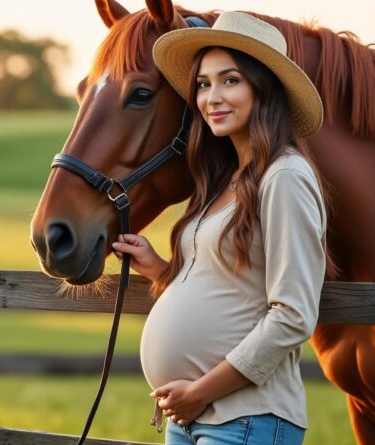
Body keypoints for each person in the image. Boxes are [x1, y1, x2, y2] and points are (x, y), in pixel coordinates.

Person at [111, 11, 333, 445]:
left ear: (262, 88)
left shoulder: (284, 177)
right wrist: (159, 270)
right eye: (203, 84)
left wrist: (198, 393)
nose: (212, 96)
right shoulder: (224, 179)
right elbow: (232, 284)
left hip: (246, 418)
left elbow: (293, 316)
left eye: (230, 80)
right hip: (190, 418)